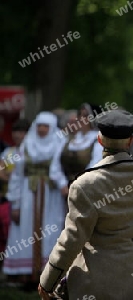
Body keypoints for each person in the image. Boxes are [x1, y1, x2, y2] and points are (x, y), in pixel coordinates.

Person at [38, 57, 133, 300]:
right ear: (130, 141)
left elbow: (72, 239)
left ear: (100, 140)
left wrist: (48, 280)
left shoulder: (84, 185)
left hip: (97, 283)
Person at [3, 112, 66, 289]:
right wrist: (15, 203)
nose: (42, 129)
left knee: (51, 230)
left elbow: (61, 169)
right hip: (27, 195)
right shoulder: (27, 145)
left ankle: (49, 276)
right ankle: (26, 277)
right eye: (39, 125)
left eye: (46, 126)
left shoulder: (59, 142)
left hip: (51, 195)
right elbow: (16, 174)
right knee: (25, 231)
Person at [50, 103, 103, 197]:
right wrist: (62, 184)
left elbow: (95, 167)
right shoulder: (68, 140)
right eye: (80, 115)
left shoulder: (98, 141)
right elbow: (55, 165)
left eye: (86, 116)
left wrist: (78, 186)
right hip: (64, 192)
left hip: (87, 192)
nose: (81, 119)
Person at [0, 119, 30, 283]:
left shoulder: (32, 152)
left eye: (22, 131)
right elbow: (1, 172)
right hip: (8, 200)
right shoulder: (9, 153)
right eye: (15, 131)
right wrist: (14, 177)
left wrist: (12, 176)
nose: (18, 135)